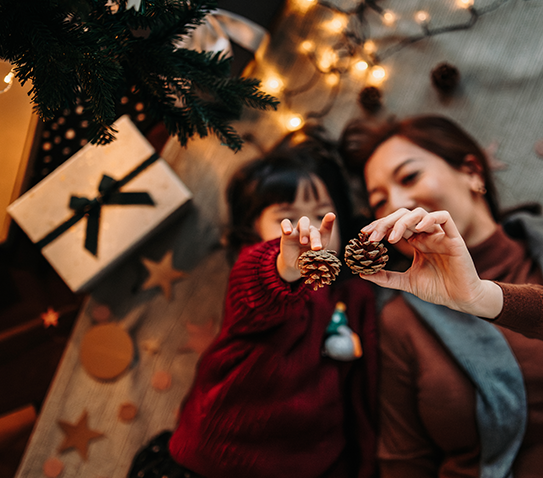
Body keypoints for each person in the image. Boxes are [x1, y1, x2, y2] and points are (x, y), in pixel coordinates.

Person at [340, 114, 543, 478]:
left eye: (409, 177)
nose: (396, 203)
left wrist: (482, 297)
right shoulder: (400, 319)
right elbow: (405, 462)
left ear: (473, 171)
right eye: (379, 202)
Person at [128, 127, 378, 478]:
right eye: (286, 219)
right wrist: (285, 263)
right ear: (253, 230)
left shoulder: (356, 297)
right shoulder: (256, 271)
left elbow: (362, 398)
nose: (308, 229)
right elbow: (261, 288)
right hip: (211, 461)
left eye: (323, 216)